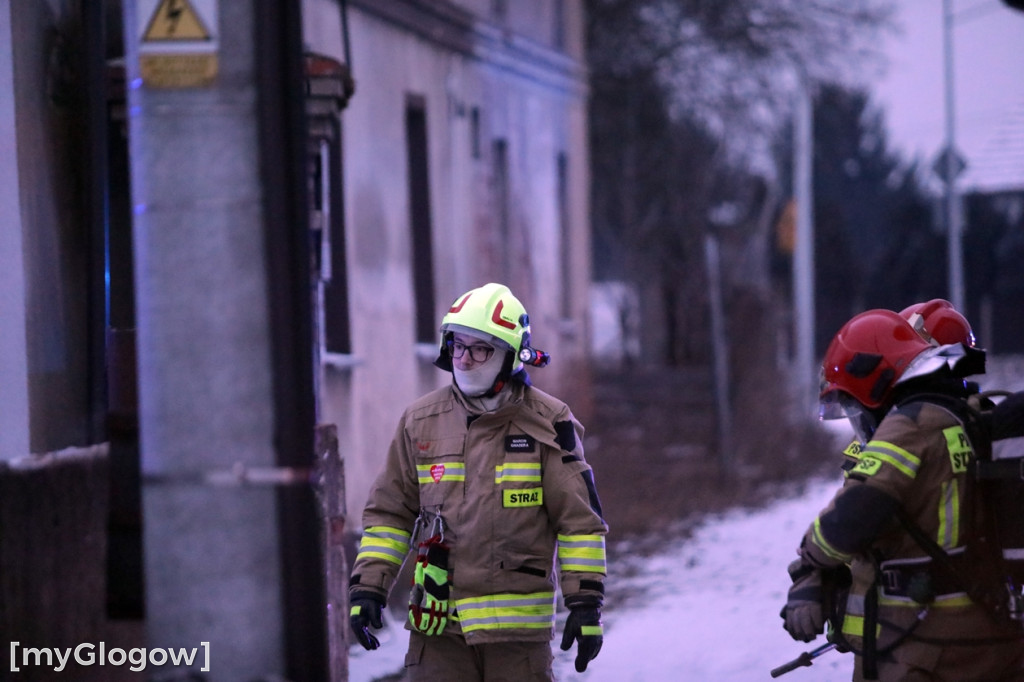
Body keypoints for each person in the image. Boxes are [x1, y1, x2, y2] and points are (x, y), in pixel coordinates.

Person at [348, 282, 608, 681]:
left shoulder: (549, 422)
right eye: (458, 346)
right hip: (437, 634)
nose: (465, 360)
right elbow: (389, 513)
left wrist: (585, 602)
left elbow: (579, 522)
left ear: (510, 355)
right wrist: (369, 587)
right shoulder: (421, 421)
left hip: (516, 643)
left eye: (480, 348)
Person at [780, 309, 1024, 681]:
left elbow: (854, 514)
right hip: (992, 641)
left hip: (927, 651)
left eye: (852, 406)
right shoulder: (969, 419)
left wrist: (809, 562)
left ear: (873, 384)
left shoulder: (911, 425)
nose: (856, 421)